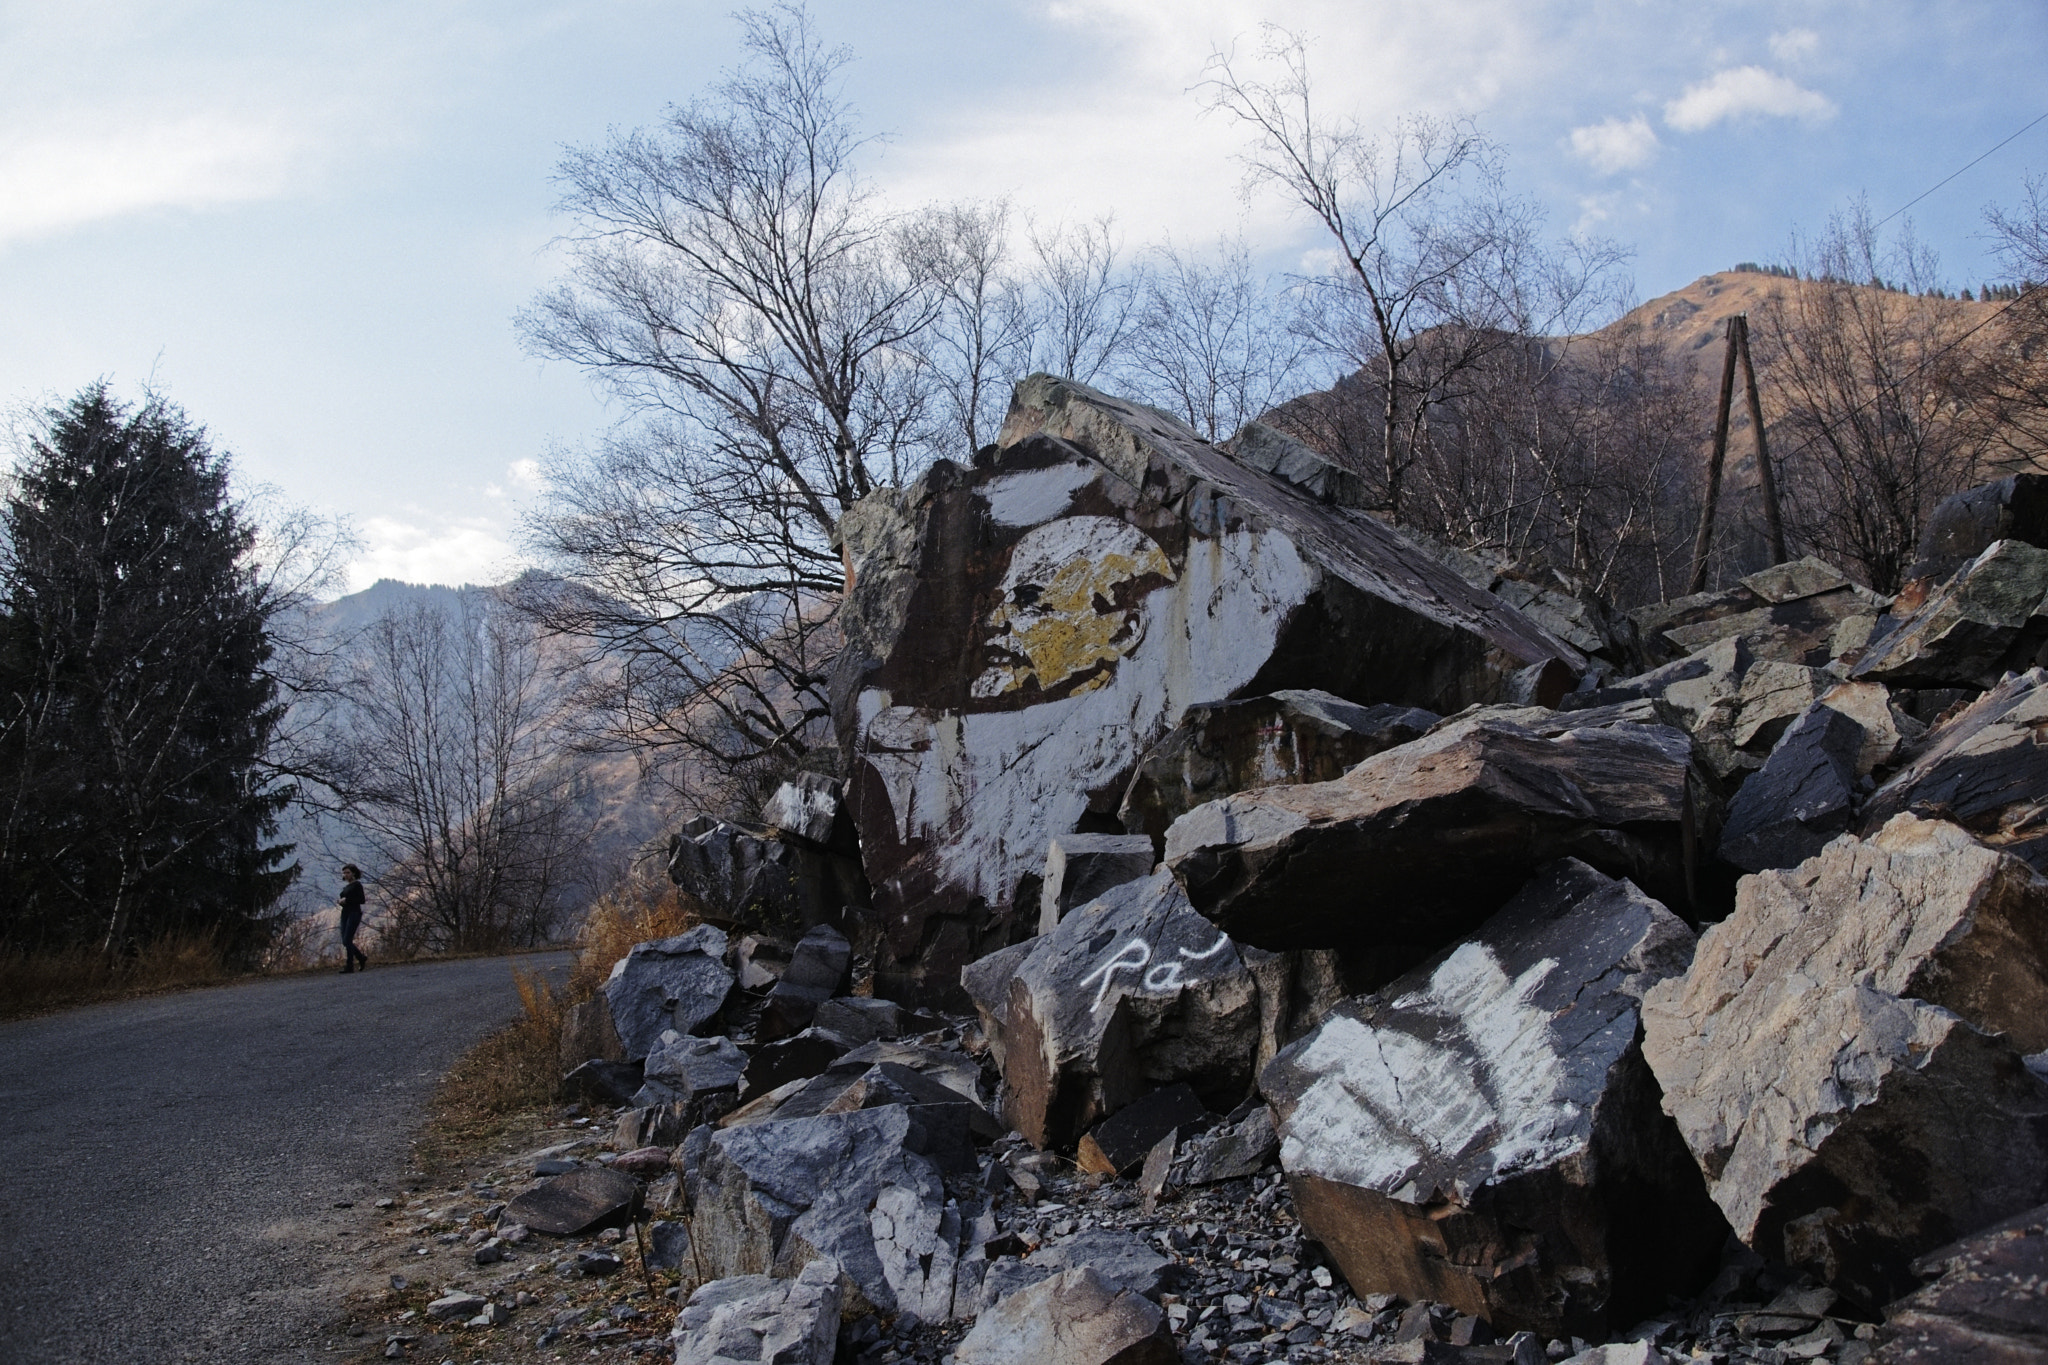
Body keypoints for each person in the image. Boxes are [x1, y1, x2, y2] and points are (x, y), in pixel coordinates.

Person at [337, 864, 369, 974]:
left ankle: (350, 965)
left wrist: (347, 900)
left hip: (354, 913)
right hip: (345, 913)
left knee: (347, 939)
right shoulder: (346, 887)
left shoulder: (357, 885)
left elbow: (361, 899)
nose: (346, 875)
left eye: (348, 872)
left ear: (354, 873)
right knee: (345, 941)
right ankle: (360, 958)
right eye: (344, 873)